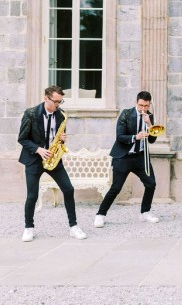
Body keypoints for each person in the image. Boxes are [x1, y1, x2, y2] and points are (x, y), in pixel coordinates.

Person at [18, 85, 87, 242]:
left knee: (68, 189)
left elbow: (59, 136)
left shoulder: (61, 115)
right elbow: (22, 139)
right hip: (34, 159)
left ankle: (73, 226)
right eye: (55, 101)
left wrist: (62, 140)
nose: (57, 105)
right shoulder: (31, 114)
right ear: (46, 98)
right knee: (32, 195)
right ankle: (29, 228)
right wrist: (38, 150)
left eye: (60, 101)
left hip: (53, 158)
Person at [94, 91, 160, 228]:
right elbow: (120, 137)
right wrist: (135, 137)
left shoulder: (150, 117)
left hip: (141, 157)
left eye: (146, 106)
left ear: (149, 104)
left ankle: (145, 212)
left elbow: (153, 140)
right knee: (116, 188)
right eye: (141, 105)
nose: (143, 108)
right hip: (123, 157)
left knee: (151, 184)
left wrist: (149, 124)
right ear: (136, 102)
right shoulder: (126, 114)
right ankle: (100, 215)